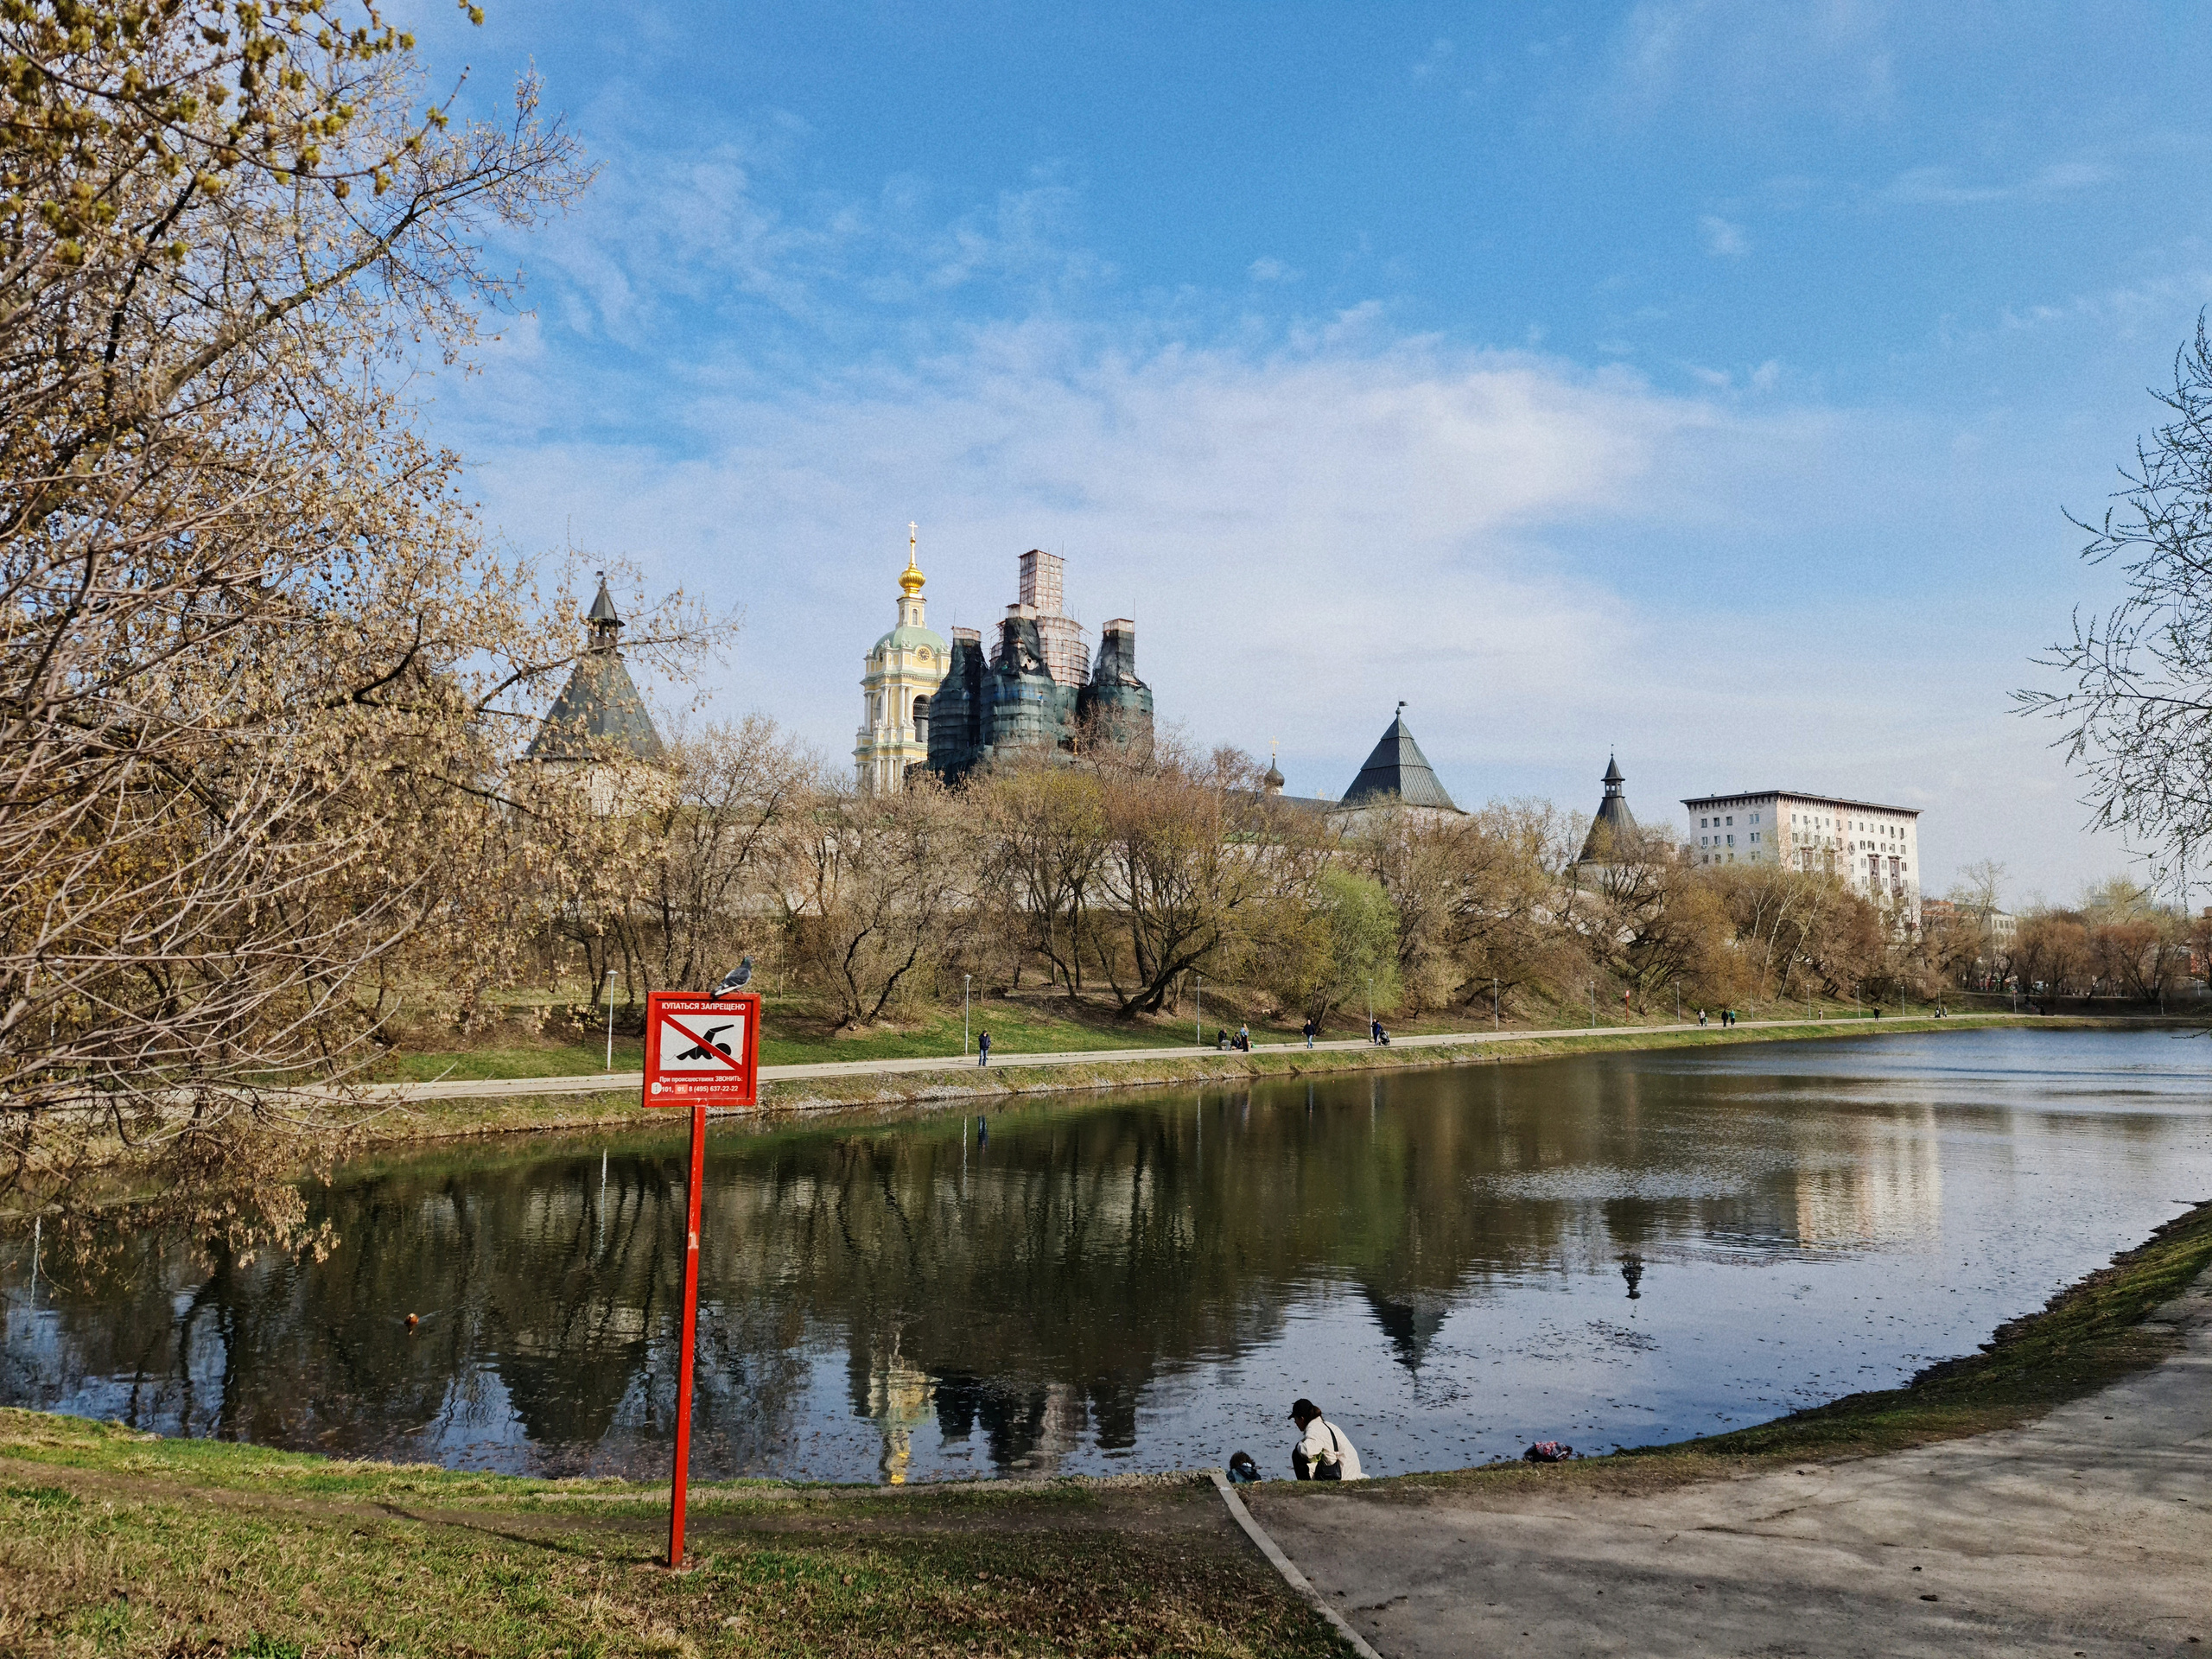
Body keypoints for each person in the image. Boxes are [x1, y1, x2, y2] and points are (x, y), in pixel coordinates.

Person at [1287, 1398, 1363, 1481]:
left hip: (1342, 1476)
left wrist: (1299, 1444)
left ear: (1302, 1419)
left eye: (1295, 1419)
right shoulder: (1328, 1425)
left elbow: (1307, 1451)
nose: (1295, 1423)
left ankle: (1305, 1484)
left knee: (1297, 1453)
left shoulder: (1314, 1429)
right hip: (1353, 1472)